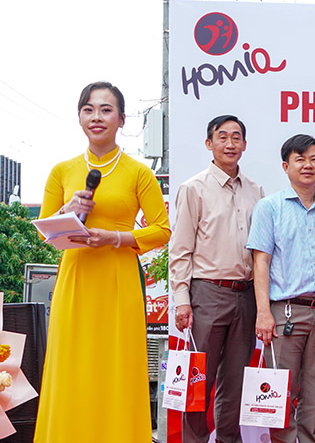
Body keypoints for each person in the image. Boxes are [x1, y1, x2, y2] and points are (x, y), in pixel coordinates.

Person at [36, 81, 171, 442]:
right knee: (72, 363)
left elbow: (161, 230)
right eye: (89, 109)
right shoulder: (62, 171)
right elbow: (44, 232)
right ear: (80, 117)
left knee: (117, 365)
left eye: (106, 109)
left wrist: (116, 238)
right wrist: (68, 210)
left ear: (122, 119)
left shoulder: (138, 172)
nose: (96, 117)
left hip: (118, 279)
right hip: (76, 279)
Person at [170, 114, 265, 443]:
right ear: (209, 144)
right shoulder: (193, 188)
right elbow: (180, 250)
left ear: (245, 145)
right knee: (199, 381)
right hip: (207, 294)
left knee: (236, 382)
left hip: (246, 295)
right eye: (222, 137)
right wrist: (182, 301)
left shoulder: (256, 191)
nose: (230, 143)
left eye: (236, 137)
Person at [247, 134, 315, 443]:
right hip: (284, 314)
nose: (307, 165)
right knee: (280, 396)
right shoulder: (269, 208)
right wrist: (263, 313)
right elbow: (261, 262)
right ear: (286, 166)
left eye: (314, 159)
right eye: (300, 159)